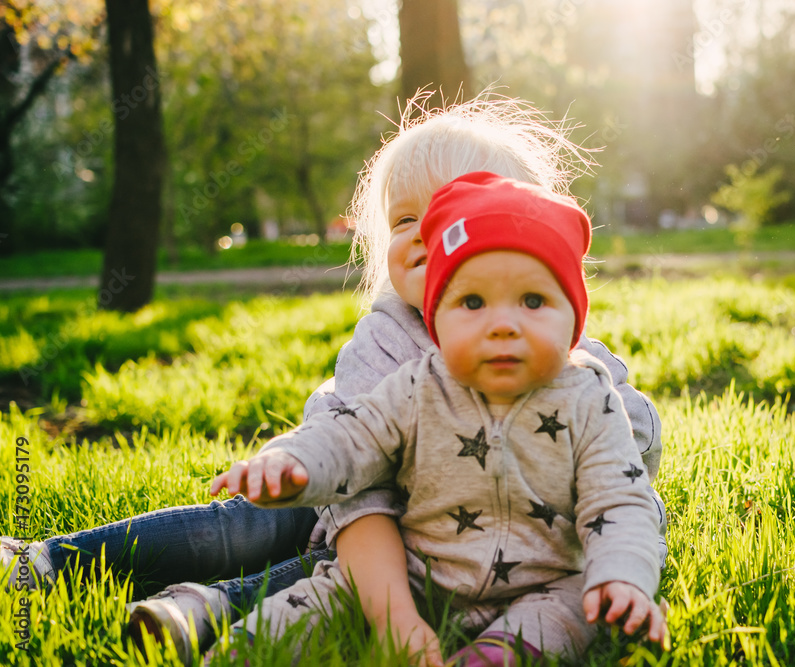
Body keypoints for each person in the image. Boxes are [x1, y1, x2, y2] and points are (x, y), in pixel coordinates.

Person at [3, 93, 664, 664]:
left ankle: (194, 612)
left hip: (452, 549)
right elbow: (356, 497)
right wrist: (295, 462)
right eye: (406, 220)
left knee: (318, 584)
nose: (427, 234)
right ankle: (49, 561)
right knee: (243, 526)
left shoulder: (572, 361)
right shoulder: (385, 339)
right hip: (349, 504)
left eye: (457, 215)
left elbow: (629, 455)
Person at [211, 172, 664, 666]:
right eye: (472, 302)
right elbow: (350, 435)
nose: (503, 325)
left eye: (533, 301)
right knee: (326, 598)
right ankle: (244, 650)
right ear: (434, 314)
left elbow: (619, 499)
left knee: (573, 610)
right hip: (418, 573)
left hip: (546, 583)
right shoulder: (418, 385)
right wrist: (293, 462)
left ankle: (494, 655)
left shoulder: (588, 397)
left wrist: (621, 575)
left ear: (573, 319)